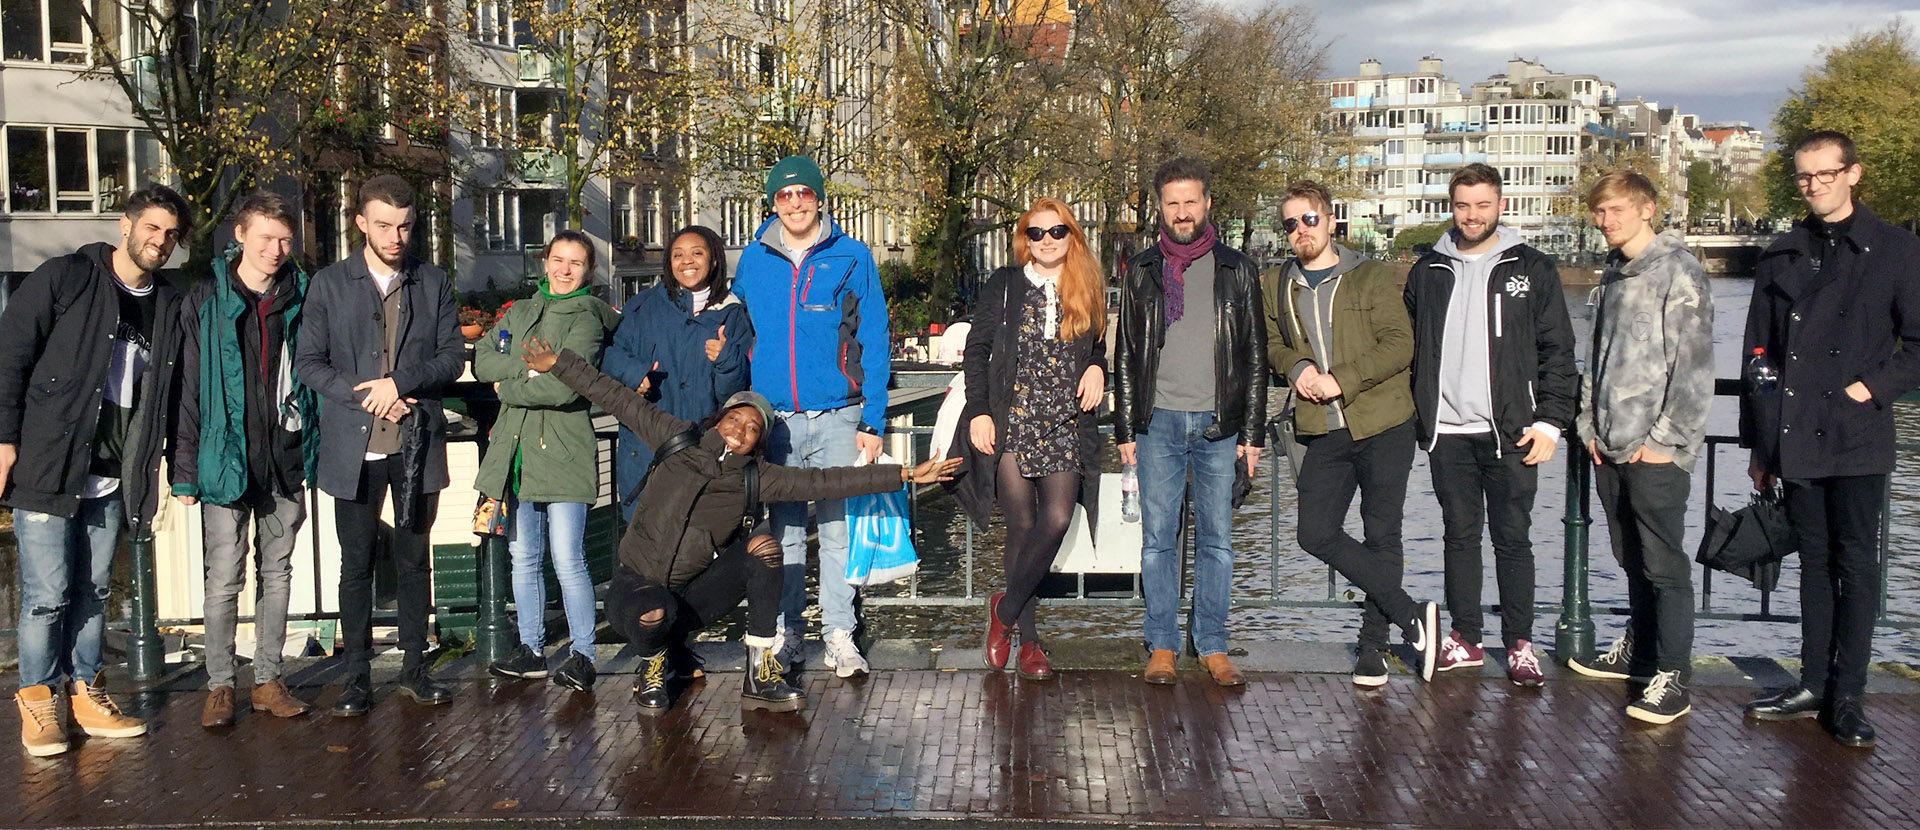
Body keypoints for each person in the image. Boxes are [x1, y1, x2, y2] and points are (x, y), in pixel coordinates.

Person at [516, 335, 957, 713]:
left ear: (759, 441)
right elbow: (617, 398)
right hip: (637, 590)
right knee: (653, 610)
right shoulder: (676, 438)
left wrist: (903, 474)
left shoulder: (756, 477)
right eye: (735, 419)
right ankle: (651, 666)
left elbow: (828, 479)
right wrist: (560, 364)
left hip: (693, 599)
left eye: (752, 428)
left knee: (766, 547)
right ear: (720, 419)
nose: (740, 431)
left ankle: (760, 669)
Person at [1739, 131, 1920, 747]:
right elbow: (1757, 356)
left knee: (1856, 565)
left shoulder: (1896, 249)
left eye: (1824, 174)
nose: (1813, 185)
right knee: (1813, 563)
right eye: (1804, 176)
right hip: (1794, 432)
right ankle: (1813, 681)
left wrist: (1866, 389)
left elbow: (1918, 346)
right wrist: (1759, 447)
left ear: (1853, 174)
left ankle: (1849, 697)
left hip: (1855, 432)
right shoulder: (1782, 251)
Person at [0, 184, 190, 756]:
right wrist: (4, 439)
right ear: (125, 224)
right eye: (151, 228)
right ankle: (37, 699)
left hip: (116, 470)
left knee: (95, 589)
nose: (159, 241)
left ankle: (86, 691)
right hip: (49, 461)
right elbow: (10, 357)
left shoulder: (169, 302)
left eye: (171, 235)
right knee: (46, 591)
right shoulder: (65, 278)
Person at [294, 174, 465, 717]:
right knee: (356, 564)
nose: (396, 236)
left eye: (406, 226)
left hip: (415, 443)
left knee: (416, 562)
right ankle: (356, 677)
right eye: (385, 225)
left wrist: (401, 384)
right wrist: (367, 395)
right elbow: (308, 363)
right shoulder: (328, 283)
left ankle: (415, 669)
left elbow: (451, 357)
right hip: (353, 447)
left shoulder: (432, 280)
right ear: (361, 223)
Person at [1404, 163, 1576, 687]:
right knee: (1459, 536)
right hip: (1447, 432)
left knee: (1513, 538)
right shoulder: (1428, 269)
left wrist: (1550, 422)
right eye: (1463, 205)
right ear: (1450, 207)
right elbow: (1407, 344)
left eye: (1482, 205)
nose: (1472, 215)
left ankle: (1521, 644)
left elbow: (1559, 351)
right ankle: (1466, 638)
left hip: (1512, 430)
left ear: (1501, 205)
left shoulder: (1533, 268)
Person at [1265, 179, 1440, 688]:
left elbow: (1399, 344)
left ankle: (1372, 646)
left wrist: (1342, 378)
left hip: (1383, 421)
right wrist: (1296, 368)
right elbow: (1274, 343)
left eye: (1309, 219)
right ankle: (1412, 616)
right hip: (1323, 428)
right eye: (1291, 224)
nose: (1301, 230)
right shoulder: (1278, 283)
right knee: (1314, 532)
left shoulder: (1370, 277)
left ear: (1331, 221)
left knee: (1382, 532)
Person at [730, 155, 890, 678]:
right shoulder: (754, 260)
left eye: (803, 193)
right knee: (787, 531)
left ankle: (839, 633)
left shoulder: (852, 256)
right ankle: (789, 631)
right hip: (776, 420)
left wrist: (873, 419)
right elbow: (736, 331)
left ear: (820, 199)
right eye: (784, 195)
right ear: (773, 203)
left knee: (839, 529)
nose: (794, 203)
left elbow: (875, 339)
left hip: (840, 415)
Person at [1112, 158, 1267, 687]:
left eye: (1191, 201)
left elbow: (1254, 356)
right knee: (1158, 539)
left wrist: (1253, 434)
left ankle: (1213, 644)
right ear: (1161, 207)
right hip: (1157, 423)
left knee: (1218, 540)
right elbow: (1127, 353)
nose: (1182, 212)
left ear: (1207, 205)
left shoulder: (1237, 269)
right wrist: (1126, 429)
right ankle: (1161, 644)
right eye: (1172, 203)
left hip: (1218, 425)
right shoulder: (1142, 270)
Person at [1567, 171, 1714, 725]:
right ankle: (1640, 651)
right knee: (1631, 556)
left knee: (1664, 563)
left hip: (1654, 453)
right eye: (1599, 213)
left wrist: (1665, 442)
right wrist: (1587, 425)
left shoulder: (1680, 273)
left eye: (1616, 211)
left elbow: (1693, 371)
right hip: (1607, 444)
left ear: (1648, 209)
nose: (1606, 221)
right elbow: (1596, 359)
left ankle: (1673, 675)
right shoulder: (1610, 276)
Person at [173, 191, 319, 728]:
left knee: (277, 573)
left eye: (285, 239)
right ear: (240, 235)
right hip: (224, 456)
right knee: (222, 579)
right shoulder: (205, 299)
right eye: (267, 238)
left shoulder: (301, 294)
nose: (277, 249)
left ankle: (267, 679)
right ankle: (219, 686)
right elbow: (188, 390)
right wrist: (184, 470)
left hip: (282, 457)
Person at [962, 197, 1107, 681]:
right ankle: (1030, 643)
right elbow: (977, 351)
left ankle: (1002, 612)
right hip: (1013, 418)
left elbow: (1101, 347)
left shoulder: (1087, 287)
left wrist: (1097, 367)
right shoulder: (1005, 286)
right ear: (1024, 239)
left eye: (1056, 232)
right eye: (1036, 233)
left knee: (1060, 517)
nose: (1046, 241)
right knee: (1021, 527)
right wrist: (980, 412)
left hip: (1065, 420)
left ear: (1073, 237)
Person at [473, 230, 620, 691]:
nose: (564, 269)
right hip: (515, 451)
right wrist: (532, 367)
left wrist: (512, 384)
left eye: (575, 263)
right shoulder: (518, 311)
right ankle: (532, 649)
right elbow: (483, 361)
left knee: (568, 559)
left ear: (588, 271)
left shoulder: (587, 318)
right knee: (523, 556)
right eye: (558, 259)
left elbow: (564, 385)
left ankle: (582, 654)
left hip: (562, 448)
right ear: (545, 261)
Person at [605, 225, 754, 522]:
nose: (687, 261)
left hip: (703, 453)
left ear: (713, 260)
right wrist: (634, 374)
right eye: (678, 255)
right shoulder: (643, 307)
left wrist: (726, 360)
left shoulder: (732, 314)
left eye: (697, 253)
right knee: (644, 555)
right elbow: (608, 354)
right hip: (647, 452)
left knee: (697, 552)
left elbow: (734, 398)